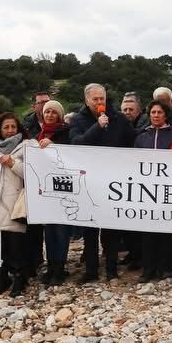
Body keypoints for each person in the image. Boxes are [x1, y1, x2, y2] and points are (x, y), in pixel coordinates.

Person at [69, 84, 136, 281]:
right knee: (90, 229)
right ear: (87, 100)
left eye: (102, 99)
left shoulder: (118, 118)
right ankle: (91, 271)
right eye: (95, 99)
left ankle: (111, 269)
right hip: (88, 180)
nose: (100, 103)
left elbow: (133, 140)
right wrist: (97, 127)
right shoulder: (78, 120)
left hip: (112, 180)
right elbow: (77, 143)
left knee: (111, 227)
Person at [134, 99, 172, 282]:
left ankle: (165, 267)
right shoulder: (141, 136)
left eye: (159, 112)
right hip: (147, 192)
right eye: (153, 112)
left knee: (166, 231)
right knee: (147, 233)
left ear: (165, 115)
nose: (155, 116)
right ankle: (148, 269)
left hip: (168, 191)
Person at [0, 112, 30, 297]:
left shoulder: (28, 146)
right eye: (6, 127)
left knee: (16, 243)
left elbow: (32, 173)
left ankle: (20, 277)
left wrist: (12, 163)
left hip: (16, 202)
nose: (10, 131)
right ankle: (3, 276)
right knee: (0, 244)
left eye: (13, 127)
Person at [34, 100, 72, 284]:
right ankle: (51, 266)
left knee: (61, 229)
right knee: (49, 230)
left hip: (62, 187)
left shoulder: (65, 132)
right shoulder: (38, 134)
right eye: (47, 112)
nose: (49, 115)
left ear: (60, 115)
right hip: (45, 188)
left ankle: (60, 268)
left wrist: (53, 143)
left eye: (53, 112)